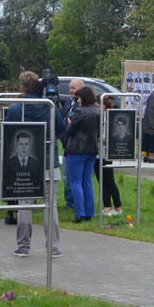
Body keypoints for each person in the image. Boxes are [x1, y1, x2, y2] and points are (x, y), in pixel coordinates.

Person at [5, 71, 67, 258]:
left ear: (21, 88)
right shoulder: (49, 106)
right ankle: (53, 248)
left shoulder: (17, 108)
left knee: (24, 205)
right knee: (51, 206)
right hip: (49, 163)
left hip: (26, 167)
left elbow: (8, 132)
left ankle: (23, 247)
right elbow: (62, 128)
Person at [66, 86, 100, 222]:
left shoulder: (80, 112)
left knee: (75, 181)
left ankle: (79, 213)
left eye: (78, 98)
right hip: (92, 149)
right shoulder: (97, 111)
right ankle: (89, 213)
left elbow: (70, 131)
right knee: (87, 181)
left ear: (83, 98)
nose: (77, 100)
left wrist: (69, 123)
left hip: (77, 150)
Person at [61, 78, 85, 209]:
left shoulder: (82, 106)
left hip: (76, 147)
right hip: (66, 145)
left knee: (75, 178)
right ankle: (69, 202)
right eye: (70, 88)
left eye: (73, 88)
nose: (71, 90)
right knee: (66, 177)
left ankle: (75, 203)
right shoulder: (67, 102)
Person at [99, 96, 123, 216]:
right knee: (105, 182)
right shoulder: (105, 116)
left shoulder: (105, 117)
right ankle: (108, 207)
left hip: (104, 154)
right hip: (102, 154)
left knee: (108, 181)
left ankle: (117, 207)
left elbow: (107, 137)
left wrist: (94, 136)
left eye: (96, 105)